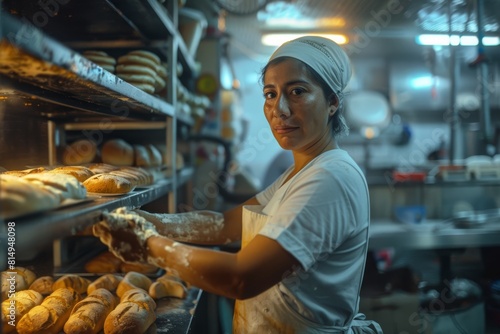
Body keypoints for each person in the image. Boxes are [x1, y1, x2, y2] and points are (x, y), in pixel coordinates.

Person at [93, 36, 382, 333]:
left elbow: (242, 278)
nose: (279, 109)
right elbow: (224, 224)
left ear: (332, 102)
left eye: (297, 91)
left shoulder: (330, 177)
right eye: (270, 94)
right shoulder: (300, 173)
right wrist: (150, 221)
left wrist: (148, 244)